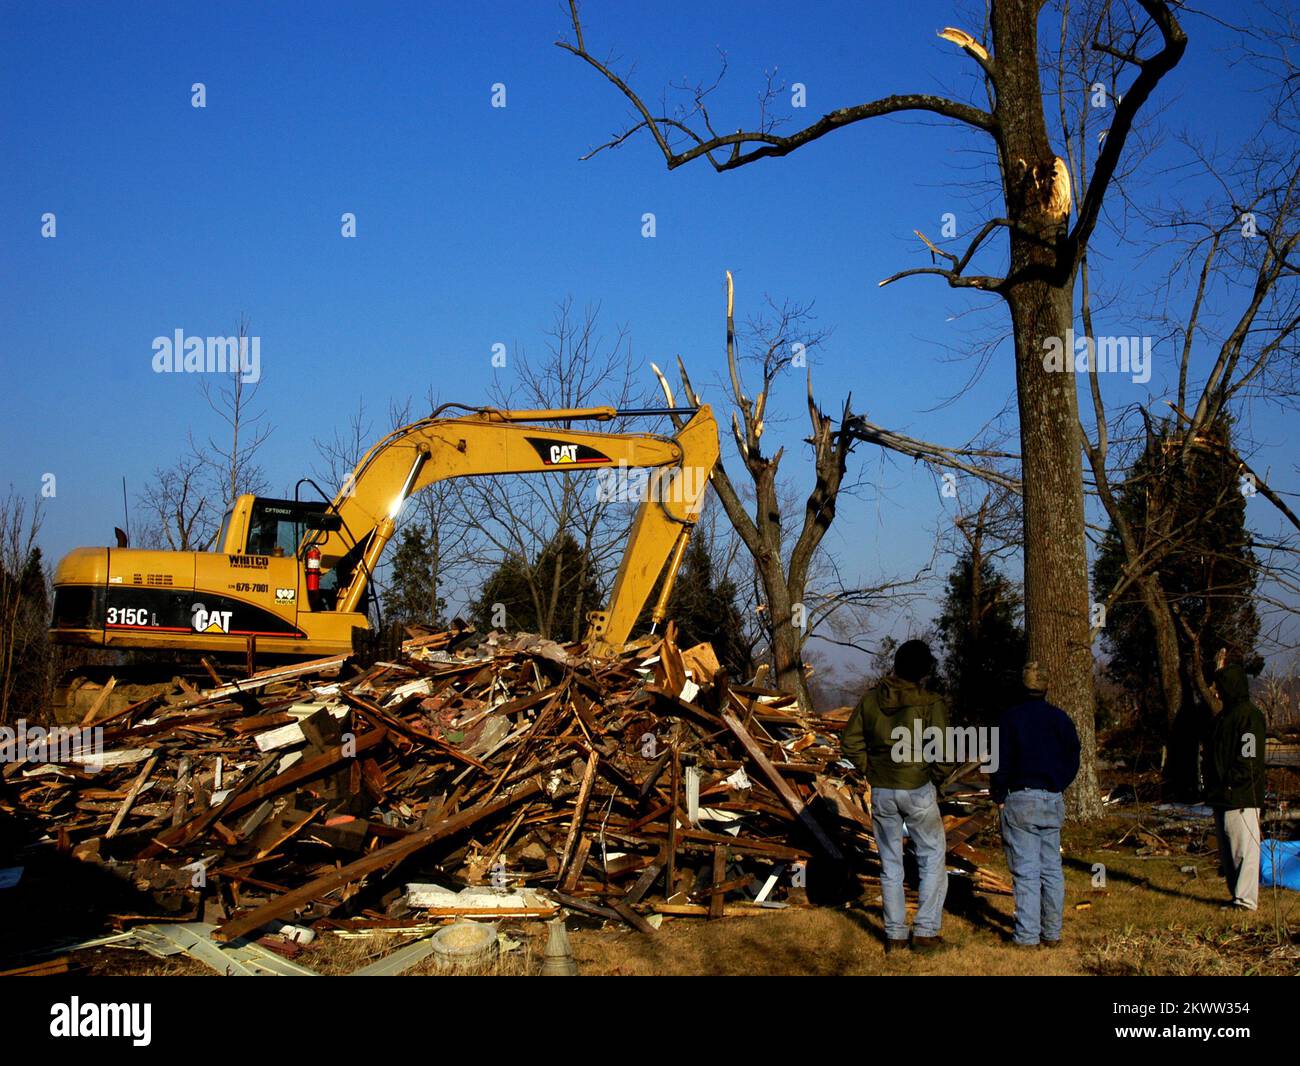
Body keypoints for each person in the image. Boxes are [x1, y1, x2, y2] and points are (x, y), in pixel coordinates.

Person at [841, 639, 949, 953]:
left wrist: (870, 770)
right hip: (917, 788)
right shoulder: (931, 703)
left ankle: (895, 936)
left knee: (890, 864)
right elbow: (943, 752)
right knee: (931, 860)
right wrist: (935, 779)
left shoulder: (871, 701)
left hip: (883, 791)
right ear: (925, 670)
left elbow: (850, 743)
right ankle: (926, 932)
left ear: (896, 665)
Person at [991, 661, 1080, 948]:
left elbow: (1000, 760)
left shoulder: (1010, 719)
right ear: (1047, 687)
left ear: (1022, 685)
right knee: (1052, 868)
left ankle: (1027, 936)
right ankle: (1052, 933)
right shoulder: (1061, 719)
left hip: (1020, 798)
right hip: (1051, 798)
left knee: (1026, 870)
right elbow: (1073, 757)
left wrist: (999, 796)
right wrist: (1059, 783)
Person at [1203, 661, 1266, 911]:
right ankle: (1236, 897)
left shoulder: (1249, 717)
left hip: (1240, 796)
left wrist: (1232, 783)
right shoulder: (1223, 718)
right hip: (1221, 795)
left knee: (1244, 852)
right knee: (1229, 854)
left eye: (1219, 686)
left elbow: (1249, 759)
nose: (1216, 692)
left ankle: (1245, 901)